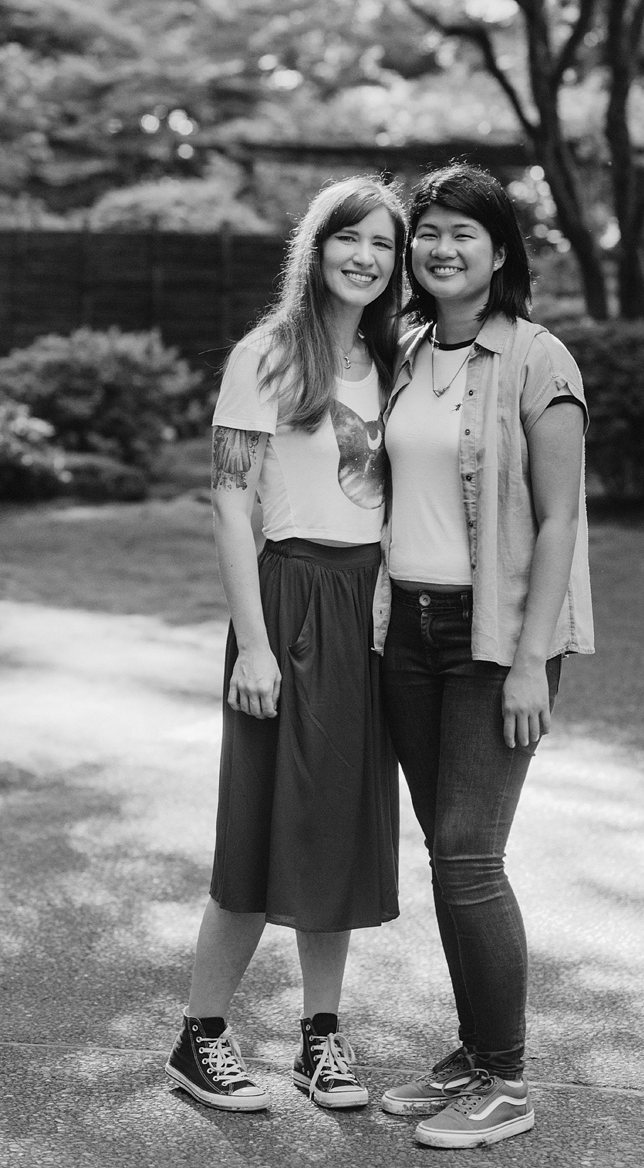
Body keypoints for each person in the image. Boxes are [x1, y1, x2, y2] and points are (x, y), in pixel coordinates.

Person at [166, 176, 406, 1111]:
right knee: (257, 823)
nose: (367, 258)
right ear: (317, 248)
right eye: (350, 239)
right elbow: (230, 509)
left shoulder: (392, 359)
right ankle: (199, 1037)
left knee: (337, 826)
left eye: (383, 246)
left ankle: (320, 1040)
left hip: (364, 610)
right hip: (286, 597)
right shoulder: (265, 355)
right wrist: (255, 647)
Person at [371, 163, 592, 1150]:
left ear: (500, 252)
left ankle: (504, 1078)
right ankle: (470, 1051)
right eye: (428, 233)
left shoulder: (539, 359)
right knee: (447, 854)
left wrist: (526, 661)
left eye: (464, 232)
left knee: (468, 855)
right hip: (404, 633)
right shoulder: (406, 348)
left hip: (496, 639)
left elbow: (559, 521)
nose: (440, 248)